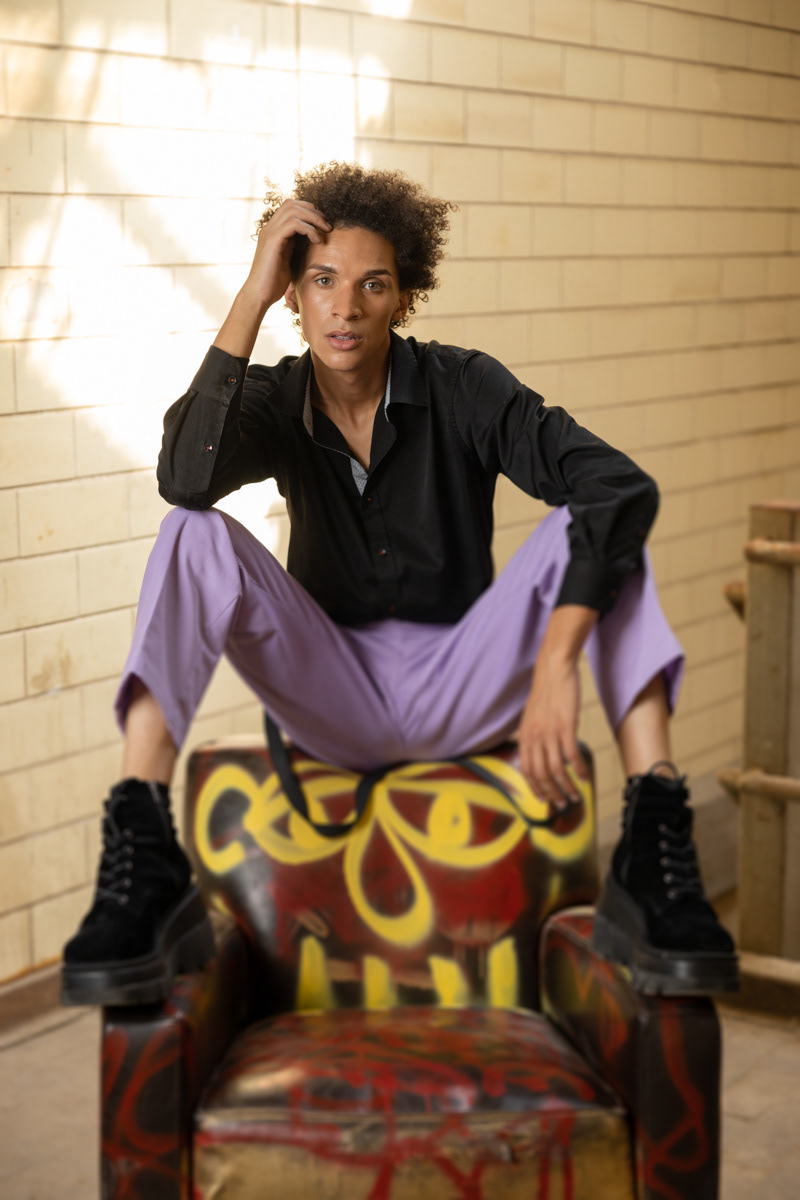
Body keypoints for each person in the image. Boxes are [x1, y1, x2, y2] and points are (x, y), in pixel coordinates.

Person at [61, 162, 738, 1007]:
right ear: (295, 296)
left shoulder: (464, 386)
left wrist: (558, 662)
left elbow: (618, 484)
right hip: (331, 691)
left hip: (464, 681)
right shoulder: (273, 399)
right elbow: (183, 478)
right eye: (321, 281)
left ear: (403, 298)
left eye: (372, 285)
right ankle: (141, 847)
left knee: (599, 523)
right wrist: (250, 294)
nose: (345, 307)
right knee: (190, 531)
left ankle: (653, 844)